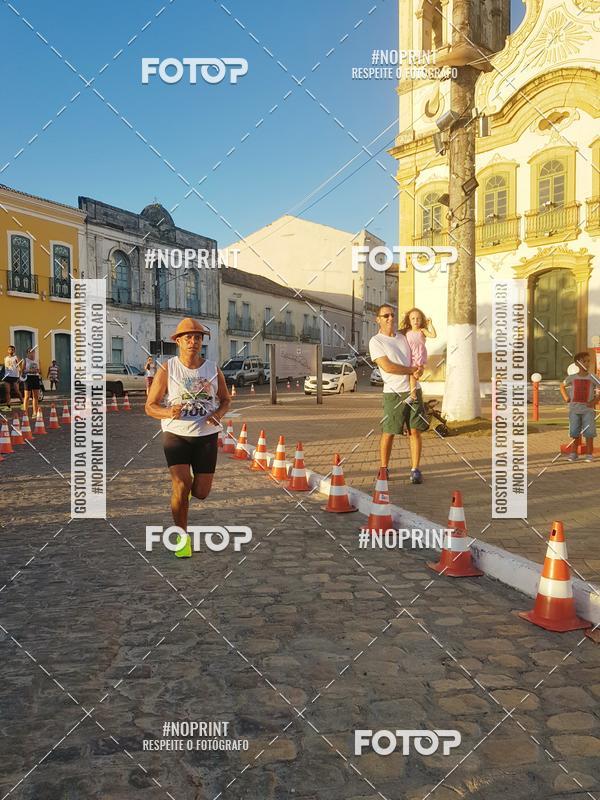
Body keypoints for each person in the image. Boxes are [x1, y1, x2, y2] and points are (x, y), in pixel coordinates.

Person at [145, 318, 230, 554]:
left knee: (200, 492)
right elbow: (150, 406)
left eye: (198, 337)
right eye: (188, 337)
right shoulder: (167, 369)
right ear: (179, 341)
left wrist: (219, 414)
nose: (193, 341)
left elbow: (226, 400)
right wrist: (167, 411)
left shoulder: (212, 369)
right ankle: (182, 540)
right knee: (181, 485)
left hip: (206, 435)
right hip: (176, 434)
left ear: (202, 341)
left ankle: (183, 499)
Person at [369, 304, 428, 484]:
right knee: (389, 431)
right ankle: (384, 468)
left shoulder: (403, 337)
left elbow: (417, 355)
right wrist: (411, 369)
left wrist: (419, 370)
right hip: (393, 394)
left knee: (415, 431)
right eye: (385, 316)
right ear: (377, 319)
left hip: (413, 389)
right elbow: (388, 367)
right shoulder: (376, 341)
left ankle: (415, 469)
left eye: (392, 315)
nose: (390, 318)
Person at [560, 351, 598, 463]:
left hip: (588, 410)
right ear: (577, 363)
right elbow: (562, 386)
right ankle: (573, 453)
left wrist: (594, 400)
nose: (587, 363)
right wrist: (566, 398)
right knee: (574, 432)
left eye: (588, 361)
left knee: (589, 433)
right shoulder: (572, 377)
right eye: (584, 361)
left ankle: (589, 454)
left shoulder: (593, 377)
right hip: (574, 410)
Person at [399, 308, 437, 401]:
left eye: (418, 318)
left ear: (421, 320)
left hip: (419, 356)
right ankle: (413, 395)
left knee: (415, 375)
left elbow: (433, 335)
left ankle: (413, 395)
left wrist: (430, 324)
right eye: (413, 318)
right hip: (410, 357)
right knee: (412, 376)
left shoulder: (422, 331)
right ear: (409, 320)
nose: (416, 321)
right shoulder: (406, 332)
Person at [2, 345, 23, 410]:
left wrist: (20, 376)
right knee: (7, 391)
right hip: (7, 377)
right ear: (8, 350)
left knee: (17, 391)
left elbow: (20, 367)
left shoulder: (16, 357)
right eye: (10, 349)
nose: (11, 351)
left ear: (14, 351)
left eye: (12, 349)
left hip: (15, 377)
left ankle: (22, 401)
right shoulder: (5, 358)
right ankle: (8, 405)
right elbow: (5, 367)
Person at [23, 347, 42, 417]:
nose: (31, 353)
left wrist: (38, 371)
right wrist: (29, 371)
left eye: (33, 351)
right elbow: (22, 371)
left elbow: (40, 371)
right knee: (27, 396)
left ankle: (35, 412)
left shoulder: (37, 360)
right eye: (29, 352)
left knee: (36, 396)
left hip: (36, 378)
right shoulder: (25, 360)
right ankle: (25, 413)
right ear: (27, 353)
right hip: (28, 378)